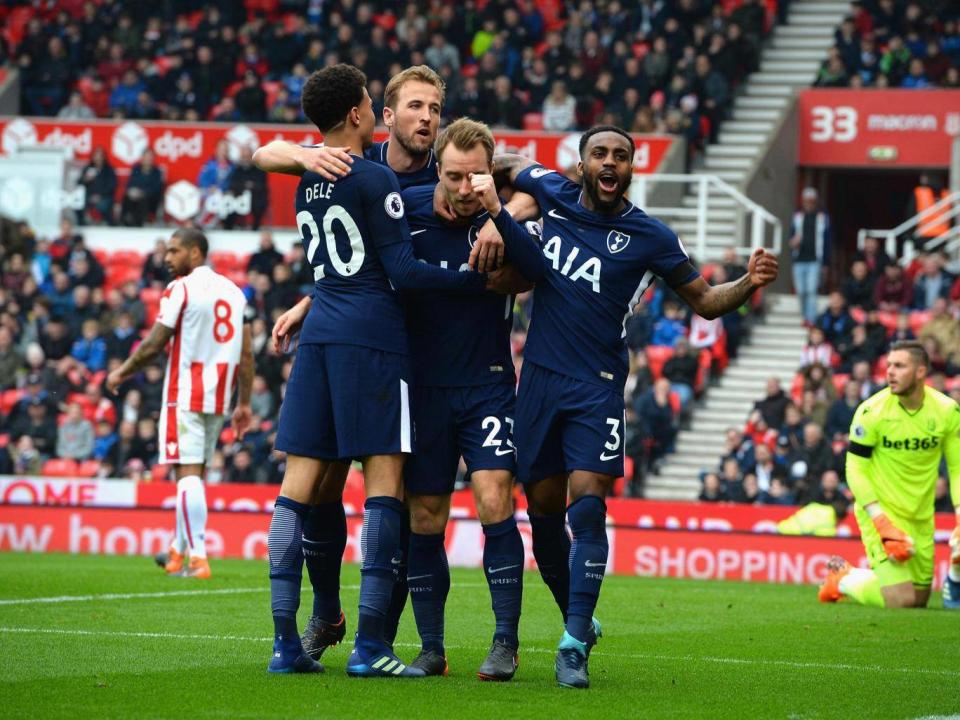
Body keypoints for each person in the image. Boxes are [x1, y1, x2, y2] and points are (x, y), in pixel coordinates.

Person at [471, 124, 778, 688]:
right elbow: (506, 160)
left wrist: (749, 282)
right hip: (537, 380)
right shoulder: (552, 190)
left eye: (621, 156)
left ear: (632, 169)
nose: (610, 162)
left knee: (586, 509)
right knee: (543, 518)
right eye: (600, 154)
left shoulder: (651, 236)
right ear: (582, 164)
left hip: (597, 385)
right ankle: (578, 620)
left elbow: (706, 302)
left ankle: (572, 645)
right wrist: (503, 205)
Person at [257, 64, 536, 667]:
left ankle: (321, 638)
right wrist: (474, 282)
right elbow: (395, 267)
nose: (426, 117)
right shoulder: (375, 176)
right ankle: (355, 633)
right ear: (377, 114)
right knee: (363, 491)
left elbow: (539, 184)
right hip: (383, 348)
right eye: (415, 106)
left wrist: (496, 212)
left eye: (435, 107)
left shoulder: (355, 170)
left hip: (381, 344)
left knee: (315, 491)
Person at [105, 228, 254, 581]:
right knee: (194, 476)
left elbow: (156, 343)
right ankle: (177, 549)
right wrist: (244, 403)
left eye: (174, 251)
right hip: (220, 397)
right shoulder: (234, 293)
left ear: (195, 251)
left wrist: (120, 373)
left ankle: (198, 558)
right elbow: (246, 354)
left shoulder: (180, 288)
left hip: (184, 393)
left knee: (186, 476)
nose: (167, 258)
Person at [819, 341, 960, 609]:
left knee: (918, 600)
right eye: (888, 365)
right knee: (901, 600)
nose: (890, 372)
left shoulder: (946, 411)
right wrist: (881, 522)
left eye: (899, 366)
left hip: (920, 515)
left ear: (920, 372)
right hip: (880, 512)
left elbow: (957, 468)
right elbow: (855, 469)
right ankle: (843, 581)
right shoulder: (872, 411)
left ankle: (849, 575)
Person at [788, 187, 831, 325]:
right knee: (801, 291)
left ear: (816, 201)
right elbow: (790, 238)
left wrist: (826, 263)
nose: (809, 203)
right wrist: (793, 242)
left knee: (811, 290)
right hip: (799, 259)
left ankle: (811, 320)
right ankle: (805, 315)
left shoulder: (822, 217)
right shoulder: (797, 217)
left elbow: (828, 240)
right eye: (807, 201)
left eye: (812, 201)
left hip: (815, 260)